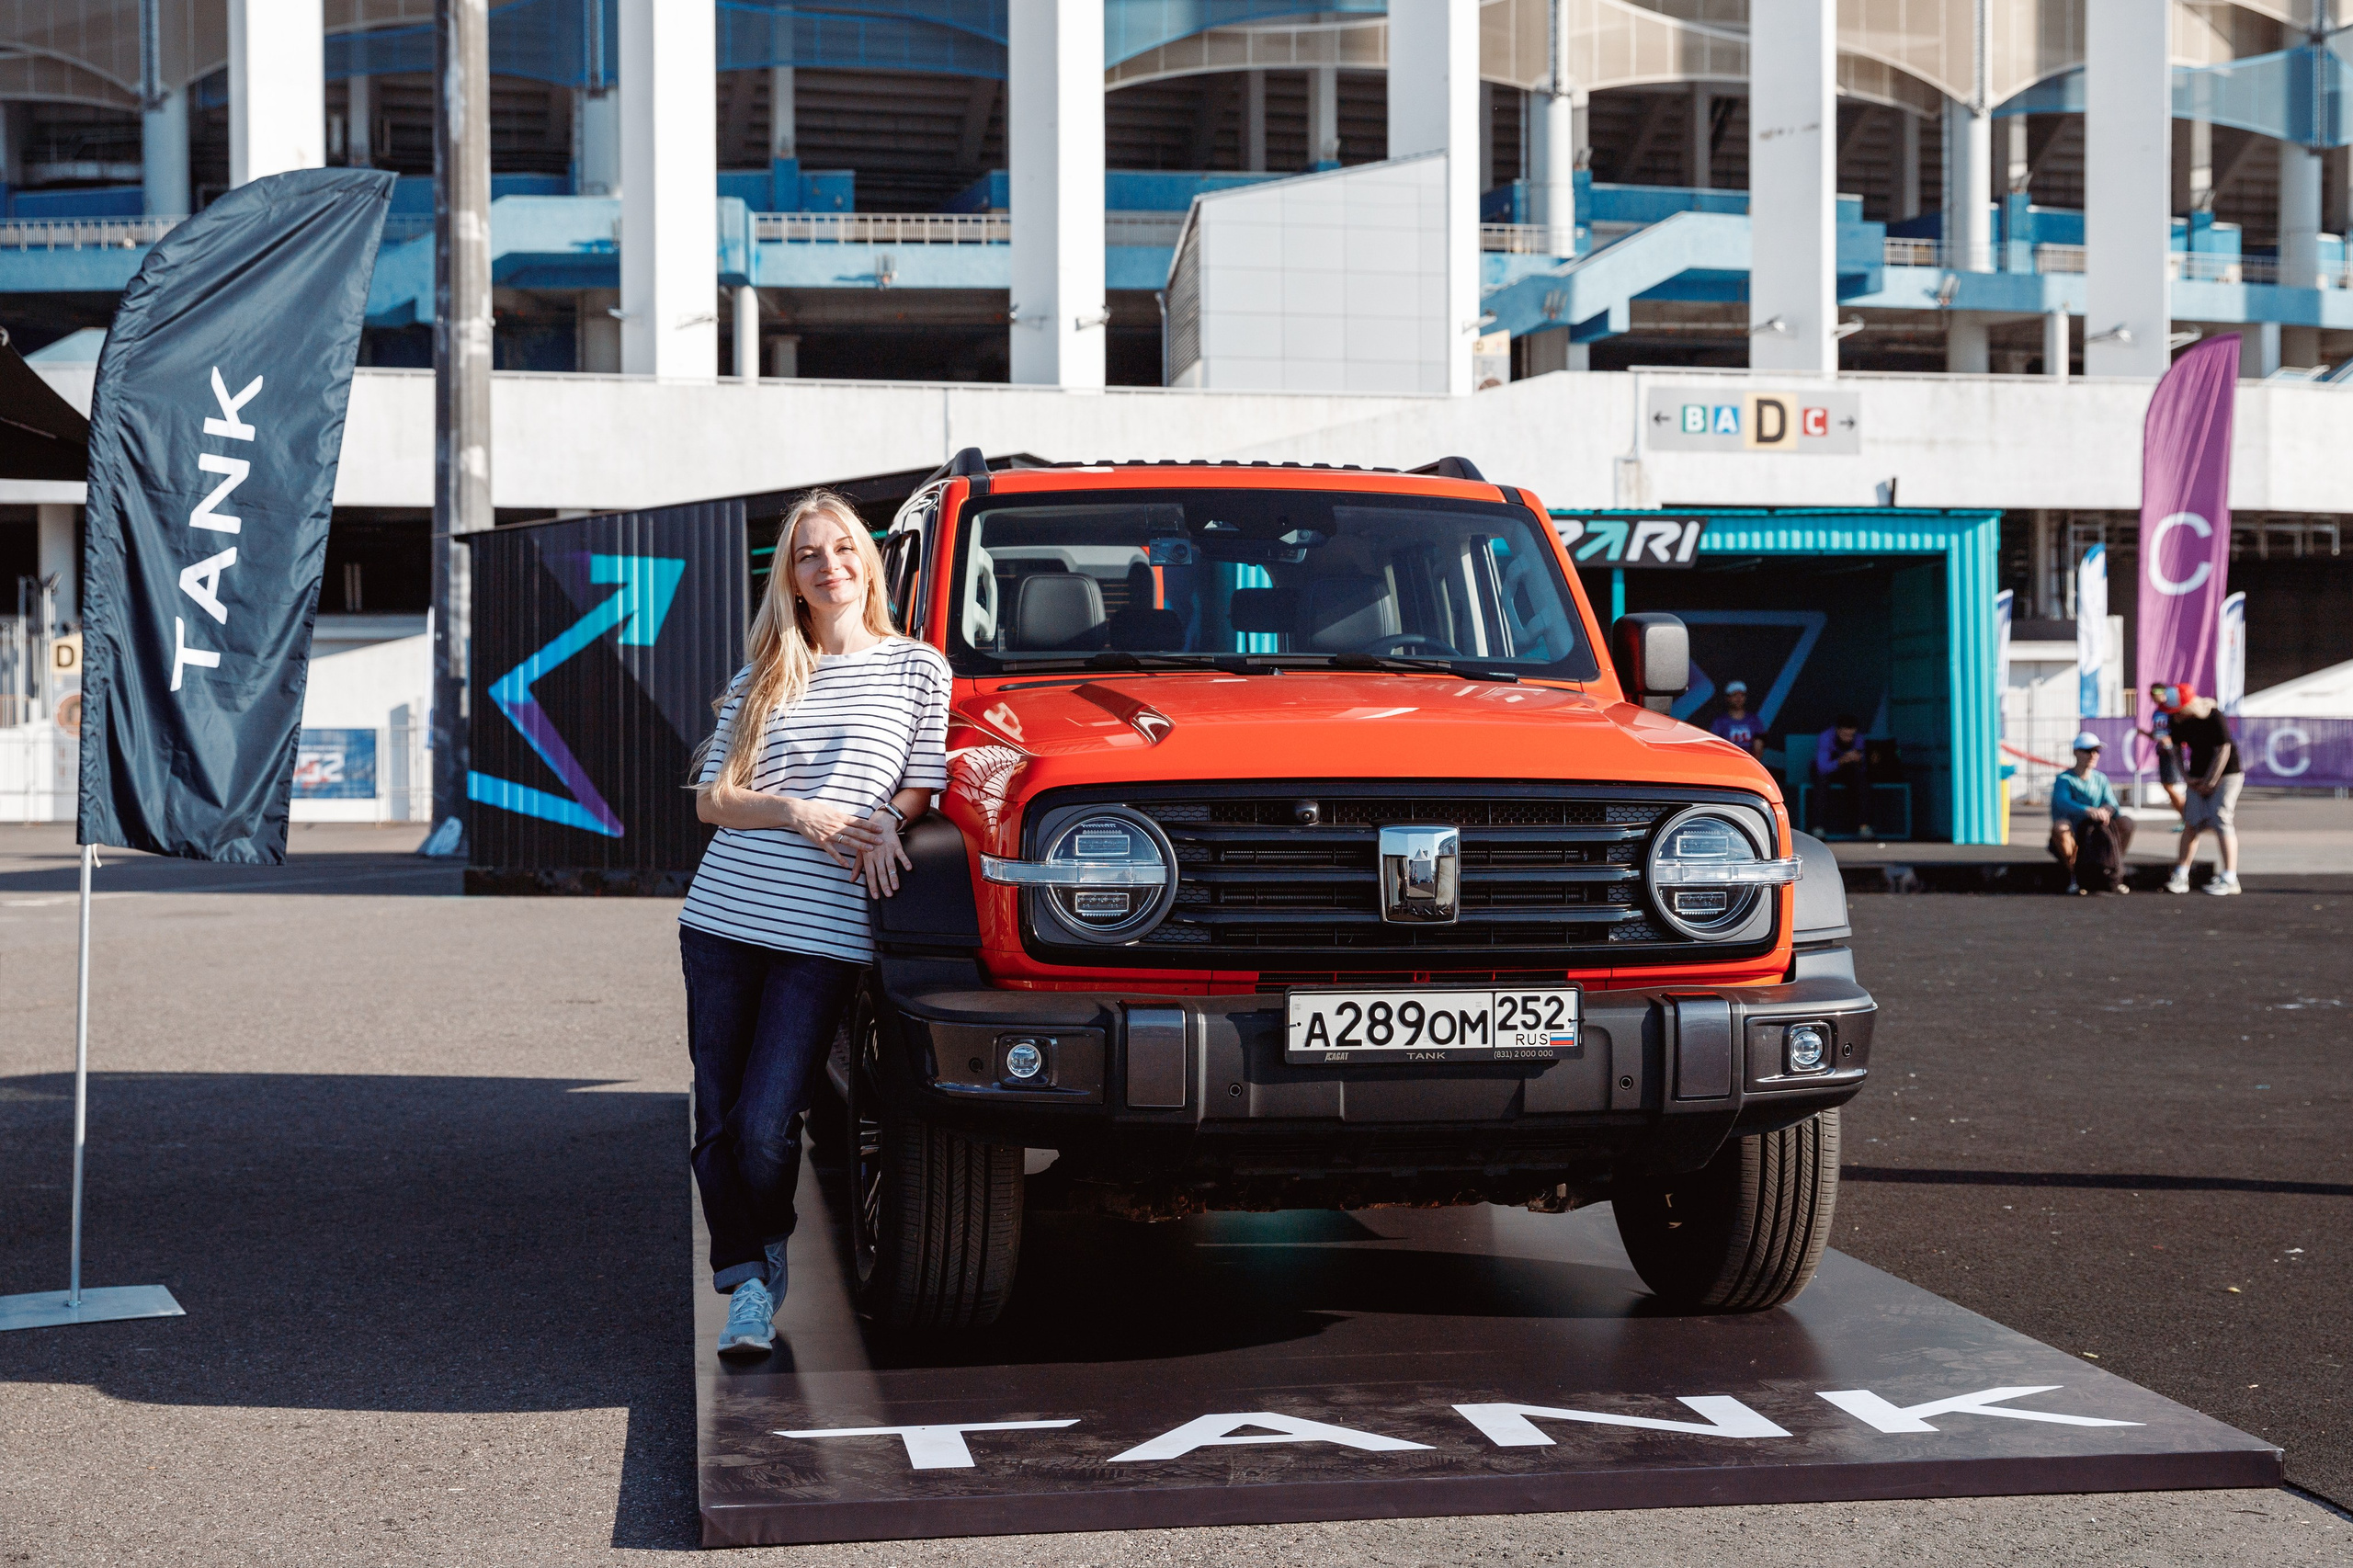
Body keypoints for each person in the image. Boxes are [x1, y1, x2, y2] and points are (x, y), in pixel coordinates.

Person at [676, 489, 952, 1358]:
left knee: (768, 1122)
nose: (828, 564)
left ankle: (765, 1239)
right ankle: (749, 1279)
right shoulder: (767, 671)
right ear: (791, 579)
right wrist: (802, 812)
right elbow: (713, 802)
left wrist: (890, 822)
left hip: (823, 932)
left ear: (867, 563)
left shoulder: (918, 668)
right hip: (723, 920)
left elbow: (923, 778)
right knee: (718, 1115)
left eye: (842, 549)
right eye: (807, 554)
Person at [2154, 684, 2243, 896]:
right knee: (2191, 821)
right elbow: (2175, 749)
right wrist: (2186, 777)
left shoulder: (2213, 716)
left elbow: (2223, 749)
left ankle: (2230, 878)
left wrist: (2210, 782)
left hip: (2226, 774)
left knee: (2221, 818)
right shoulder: (2176, 720)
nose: (2174, 715)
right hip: (2196, 775)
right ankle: (2181, 874)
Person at [2049, 732, 2133, 894]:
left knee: (2127, 823)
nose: (2093, 755)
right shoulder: (2064, 779)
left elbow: (2112, 803)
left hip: (2096, 831)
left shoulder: (2100, 778)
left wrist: (2107, 809)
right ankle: (2075, 875)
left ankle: (2113, 869)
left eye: (2096, 751)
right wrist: (2087, 810)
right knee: (2061, 828)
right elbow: (2062, 801)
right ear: (2076, 752)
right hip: (2075, 830)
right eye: (2088, 751)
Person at [1814, 714, 1870, 837]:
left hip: (1849, 772)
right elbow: (1822, 767)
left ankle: (1864, 826)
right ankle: (1818, 827)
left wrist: (1859, 760)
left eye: (1851, 735)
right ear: (1837, 730)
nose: (1848, 739)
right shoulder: (1826, 737)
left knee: (1861, 780)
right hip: (1828, 772)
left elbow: (1865, 767)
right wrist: (1841, 760)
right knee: (1821, 782)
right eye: (1845, 735)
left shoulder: (1859, 739)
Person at [2135, 685, 2188, 816]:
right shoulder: (2156, 712)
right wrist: (2144, 733)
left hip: (2172, 752)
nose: (2153, 698)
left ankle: (2188, 816)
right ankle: (2186, 817)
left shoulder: (2173, 710)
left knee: (2169, 786)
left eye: (2155, 694)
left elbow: (2181, 732)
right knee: (2167, 786)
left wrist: (2171, 740)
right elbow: (2157, 734)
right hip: (2162, 752)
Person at [1710, 680, 1767, 759]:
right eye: (1735, 695)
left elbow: (1758, 749)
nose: (1739, 698)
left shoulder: (1754, 720)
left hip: (1749, 764)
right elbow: (1715, 748)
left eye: (1742, 695)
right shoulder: (1720, 722)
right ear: (1728, 698)